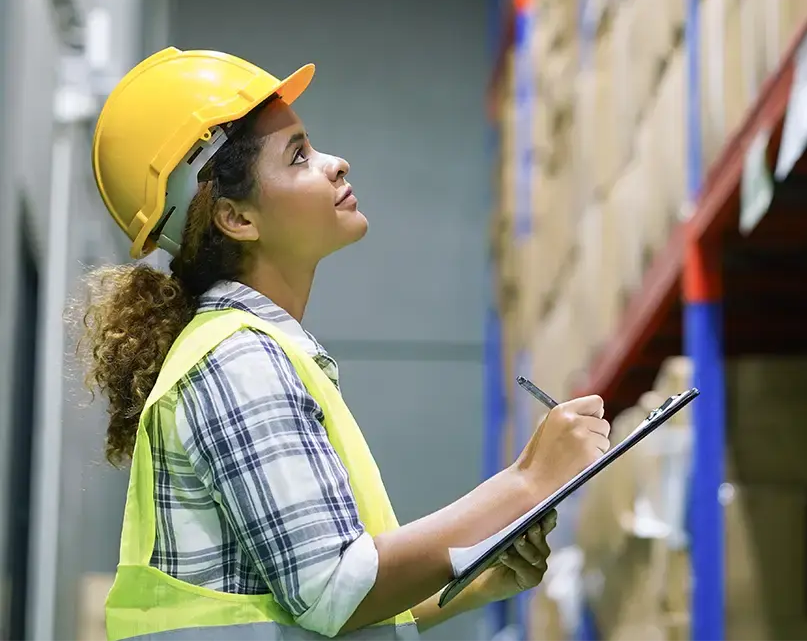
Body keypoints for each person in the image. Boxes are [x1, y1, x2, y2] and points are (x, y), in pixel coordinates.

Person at [77, 47, 611, 641]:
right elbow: (334, 590)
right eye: (299, 155)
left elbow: (315, 604)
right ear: (236, 217)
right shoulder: (238, 361)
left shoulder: (259, 353)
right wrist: (527, 483)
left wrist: (476, 579)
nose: (335, 163)